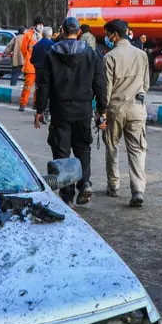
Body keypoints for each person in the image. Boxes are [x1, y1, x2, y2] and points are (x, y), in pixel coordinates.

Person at [34, 17, 107, 205]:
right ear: (79, 32)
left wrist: (40, 109)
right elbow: (100, 84)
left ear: (62, 31)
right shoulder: (91, 54)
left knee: (61, 152)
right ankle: (85, 183)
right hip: (83, 110)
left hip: (60, 111)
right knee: (83, 147)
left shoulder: (51, 54)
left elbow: (43, 85)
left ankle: (67, 195)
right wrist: (102, 109)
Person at [102, 20, 149, 207]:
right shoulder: (142, 55)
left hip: (116, 108)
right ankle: (138, 189)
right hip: (137, 108)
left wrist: (102, 112)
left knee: (112, 146)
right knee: (137, 148)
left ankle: (113, 185)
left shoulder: (110, 57)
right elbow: (146, 85)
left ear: (114, 35)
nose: (107, 38)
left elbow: (106, 89)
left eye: (108, 34)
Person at [18, 18, 42, 111]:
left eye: (42, 24)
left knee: (38, 87)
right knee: (28, 86)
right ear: (36, 25)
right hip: (31, 65)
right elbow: (23, 48)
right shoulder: (28, 34)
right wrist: (27, 58)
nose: (41, 26)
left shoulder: (42, 35)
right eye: (39, 24)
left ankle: (36, 104)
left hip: (40, 66)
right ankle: (23, 104)